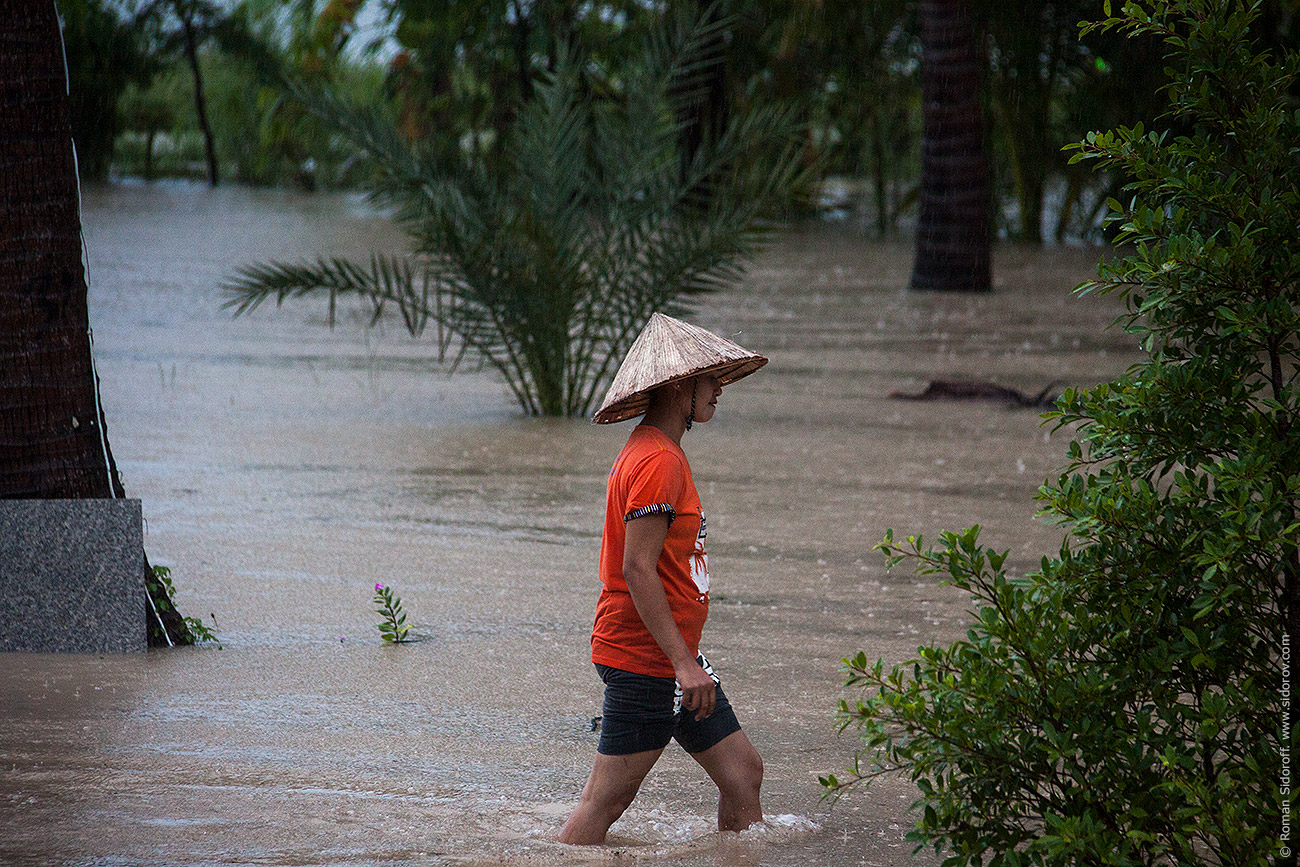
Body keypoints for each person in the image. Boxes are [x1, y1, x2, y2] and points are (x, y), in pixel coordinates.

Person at [558, 312, 768, 845]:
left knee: (743, 773)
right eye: (709, 378)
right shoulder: (657, 461)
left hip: (670, 656)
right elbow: (636, 568)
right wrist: (681, 664)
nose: (719, 388)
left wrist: (686, 660)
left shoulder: (657, 451)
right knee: (605, 803)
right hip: (648, 658)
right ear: (678, 386)